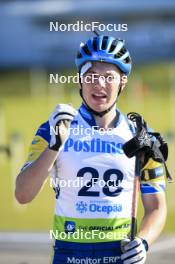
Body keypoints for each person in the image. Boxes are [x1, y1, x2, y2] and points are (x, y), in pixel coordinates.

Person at [15, 35, 167, 264]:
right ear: (80, 80)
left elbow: (156, 207)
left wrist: (143, 243)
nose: (99, 84)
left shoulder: (141, 136)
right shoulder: (54, 127)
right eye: (92, 76)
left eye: (108, 77)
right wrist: (54, 146)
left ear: (122, 82)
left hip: (119, 254)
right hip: (69, 254)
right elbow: (23, 194)